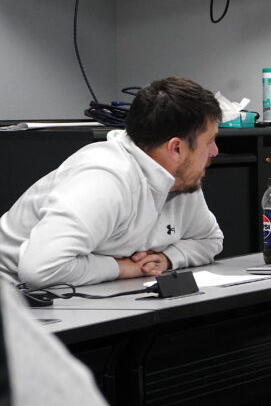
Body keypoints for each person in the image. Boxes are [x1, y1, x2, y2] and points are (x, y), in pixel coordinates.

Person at [0, 77, 224, 288]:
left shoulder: (180, 179)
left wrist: (167, 258)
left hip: (81, 293)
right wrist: (123, 268)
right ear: (176, 148)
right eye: (210, 141)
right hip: (15, 295)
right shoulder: (104, 179)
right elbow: (40, 270)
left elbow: (210, 239)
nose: (214, 151)